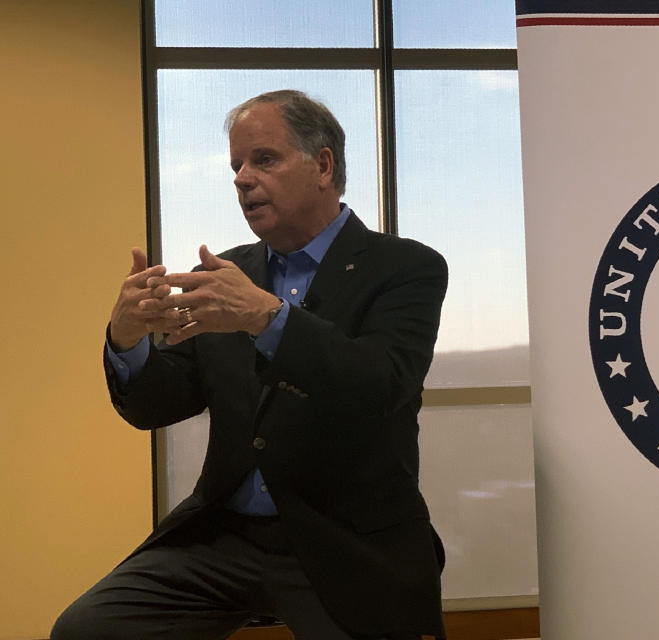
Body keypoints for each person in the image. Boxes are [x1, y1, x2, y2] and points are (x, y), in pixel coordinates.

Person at [51, 90, 448, 640]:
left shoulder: (406, 268)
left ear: (323, 165)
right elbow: (161, 403)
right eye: (236, 165)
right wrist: (128, 340)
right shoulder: (229, 272)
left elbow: (380, 383)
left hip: (346, 540)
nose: (242, 178)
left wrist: (268, 317)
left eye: (263, 159)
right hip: (227, 536)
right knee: (86, 630)